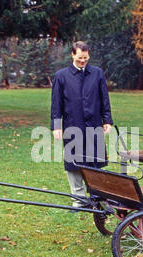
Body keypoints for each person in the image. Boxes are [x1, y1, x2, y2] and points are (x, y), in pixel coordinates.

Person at [51, 41, 113, 207]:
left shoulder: (97, 73)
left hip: (94, 125)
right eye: (79, 58)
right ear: (72, 55)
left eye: (85, 58)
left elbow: (104, 99)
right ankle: (79, 201)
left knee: (96, 162)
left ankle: (97, 197)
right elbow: (56, 104)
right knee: (74, 164)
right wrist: (56, 126)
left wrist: (107, 120)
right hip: (72, 125)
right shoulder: (61, 76)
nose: (83, 61)